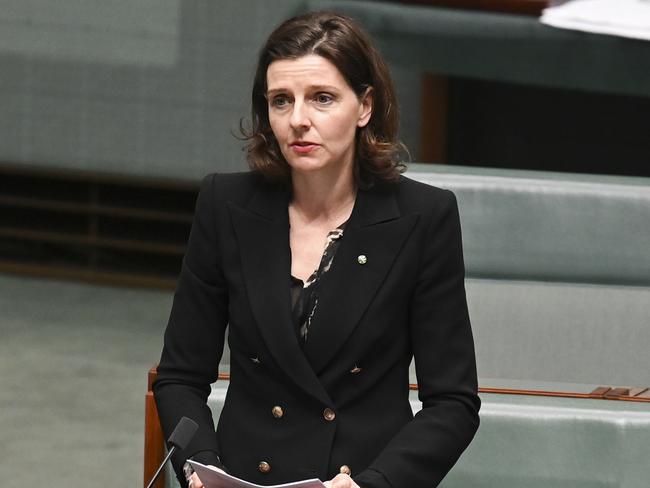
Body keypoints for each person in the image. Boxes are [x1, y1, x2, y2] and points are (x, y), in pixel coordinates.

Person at [153, 11, 480, 488]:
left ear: (365, 106)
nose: (298, 120)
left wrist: (376, 484)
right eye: (281, 101)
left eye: (321, 98)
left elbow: (453, 403)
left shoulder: (423, 217)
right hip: (242, 478)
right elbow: (180, 376)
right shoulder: (226, 203)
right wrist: (201, 467)